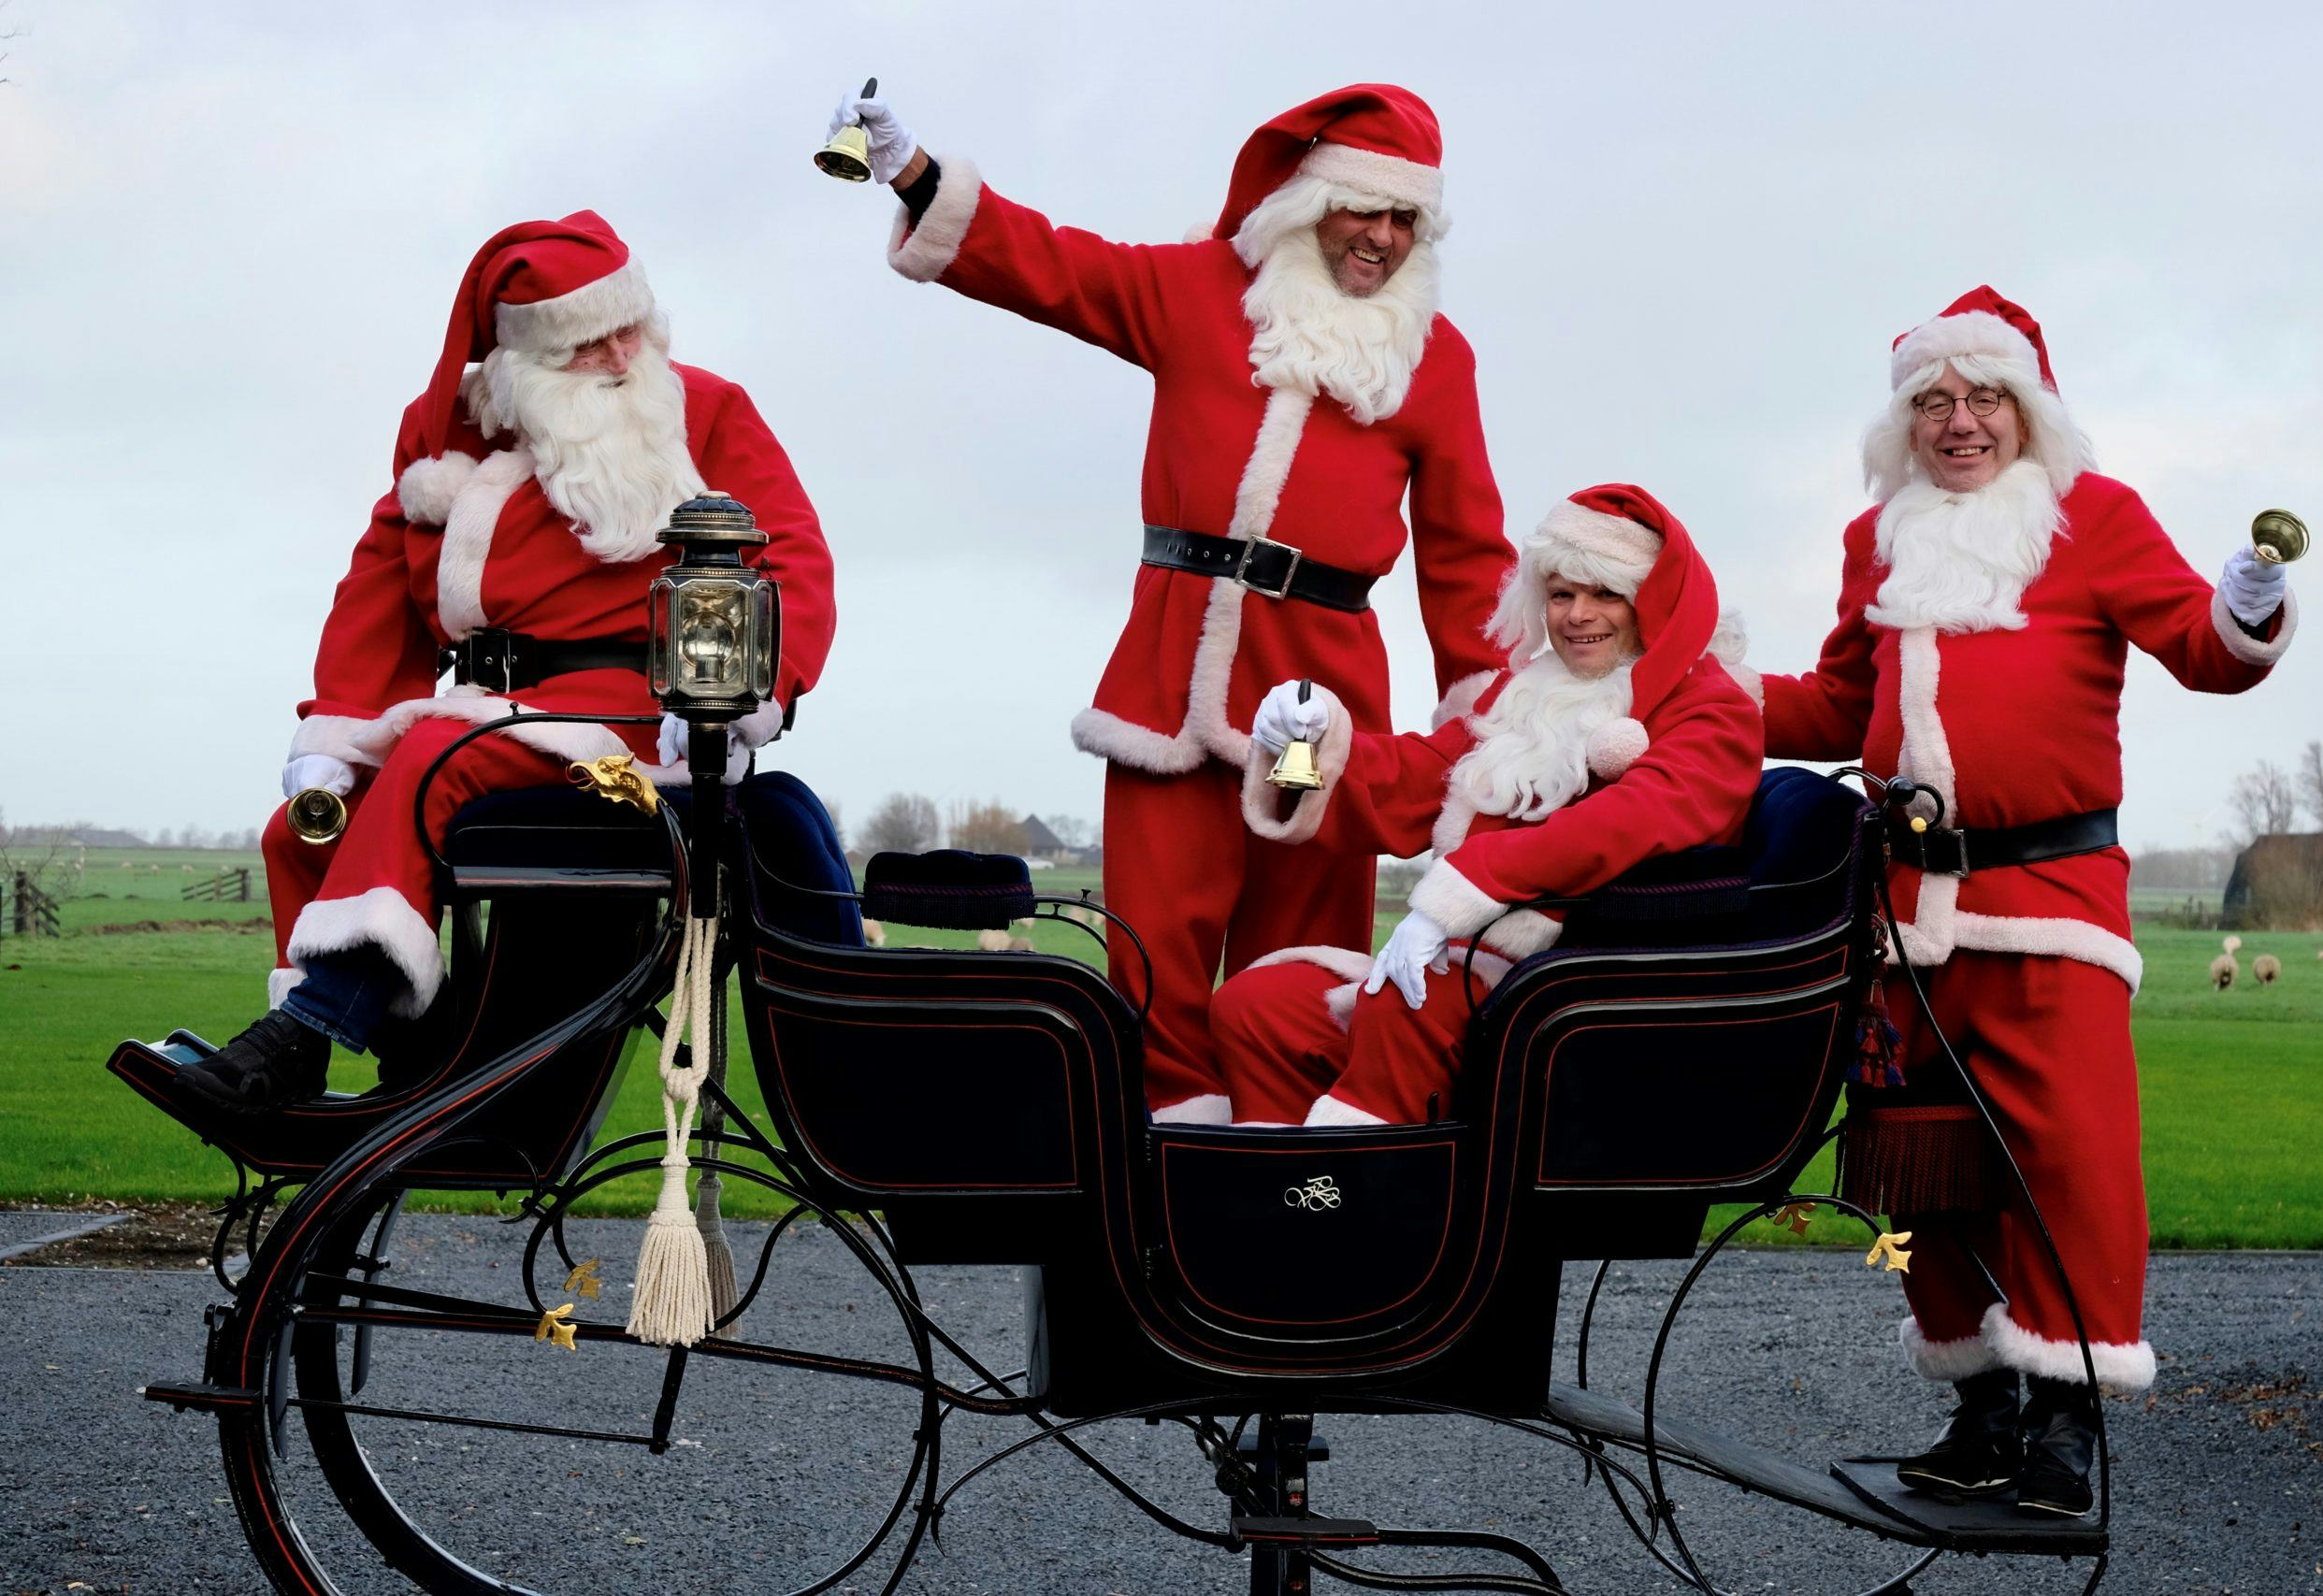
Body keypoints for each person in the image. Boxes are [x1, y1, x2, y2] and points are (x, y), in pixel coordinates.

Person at [829, 83, 1516, 1122]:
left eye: (1404, 218)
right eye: (1362, 209)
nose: (1382, 237)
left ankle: (1294, 1195)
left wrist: (1492, 737)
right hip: (1166, 689)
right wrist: (920, 175)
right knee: (1152, 963)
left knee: (1301, 966)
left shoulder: (1436, 358)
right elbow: (1055, 267)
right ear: (1306, 200)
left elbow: (1468, 562)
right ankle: (1161, 1195)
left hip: (1314, 719)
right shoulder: (1197, 290)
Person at [1760, 287, 2294, 1516]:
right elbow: (1842, 702)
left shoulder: (2093, 519)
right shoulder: (1875, 537)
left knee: (2074, 1164)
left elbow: (2205, 650)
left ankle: (2066, 1416)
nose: (1960, 421)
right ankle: (1980, 1403)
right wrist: (1698, 696)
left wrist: (2250, 601)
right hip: (1905, 916)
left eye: (1985, 395)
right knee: (1913, 1172)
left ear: (2029, 408)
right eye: (1933, 400)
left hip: (2051, 901)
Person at [172, 211, 835, 1114]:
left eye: (627, 330)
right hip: (490, 697)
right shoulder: (445, 435)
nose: (615, 356)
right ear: (523, 360)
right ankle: (411, 1066)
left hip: (645, 711)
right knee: (306, 825)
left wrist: (738, 690)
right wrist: (338, 724)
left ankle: (311, 1030)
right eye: (585, 343)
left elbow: (793, 559)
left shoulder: (707, 410)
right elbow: (378, 588)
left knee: (436, 757)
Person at [1209, 485, 1762, 1126]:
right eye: (1561, 594)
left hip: (1585, 982)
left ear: (1650, 600)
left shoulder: (1710, 705)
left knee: (1404, 1006)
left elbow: (1636, 818)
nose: (1577, 615)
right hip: (1476, 967)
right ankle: (1286, 1203)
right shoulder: (1526, 690)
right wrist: (1308, 741)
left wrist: (1457, 894)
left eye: (1604, 593)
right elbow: (1420, 777)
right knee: (1255, 1006)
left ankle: (1362, 1207)